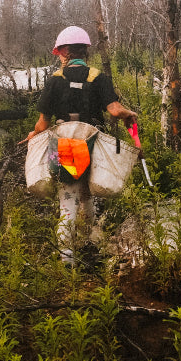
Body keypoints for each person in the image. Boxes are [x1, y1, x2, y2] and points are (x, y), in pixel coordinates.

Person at [25, 26, 138, 259]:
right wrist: (128, 114)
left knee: (68, 198)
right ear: (85, 51)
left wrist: (32, 134)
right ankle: (89, 244)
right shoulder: (99, 77)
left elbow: (43, 124)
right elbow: (115, 110)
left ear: (64, 52)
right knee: (87, 195)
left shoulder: (54, 81)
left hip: (65, 146)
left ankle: (67, 257)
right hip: (93, 143)